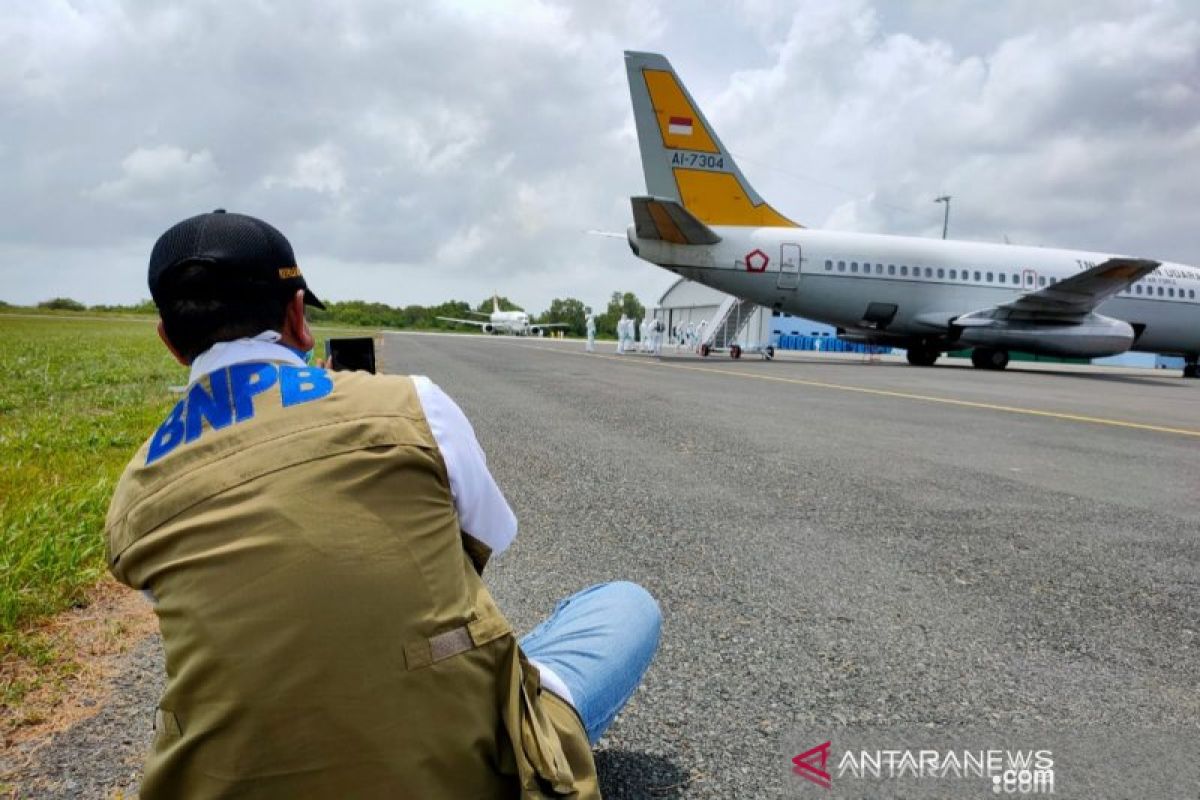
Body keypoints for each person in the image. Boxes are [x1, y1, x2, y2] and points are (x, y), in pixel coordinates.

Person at [104, 210, 661, 799]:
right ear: (297, 315)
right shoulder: (409, 402)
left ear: (169, 341)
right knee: (624, 605)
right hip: (453, 767)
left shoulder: (135, 489)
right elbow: (490, 535)